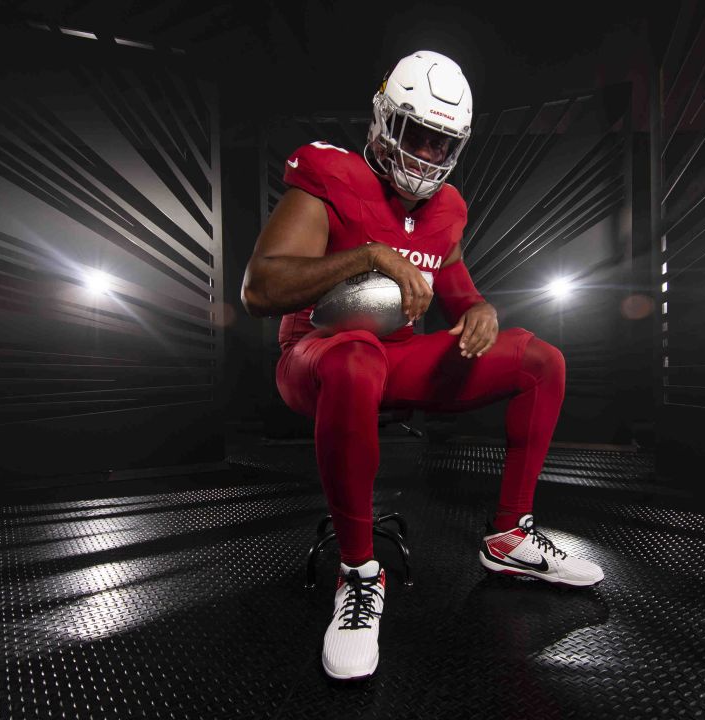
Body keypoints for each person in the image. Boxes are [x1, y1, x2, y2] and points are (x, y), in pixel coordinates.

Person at [240, 50, 604, 681]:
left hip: (397, 357)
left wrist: (483, 309)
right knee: (355, 359)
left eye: (443, 144)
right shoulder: (332, 176)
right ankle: (357, 574)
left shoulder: (447, 209)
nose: (428, 156)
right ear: (383, 120)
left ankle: (510, 537)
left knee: (540, 359)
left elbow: (461, 295)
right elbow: (260, 290)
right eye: (417, 136)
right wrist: (368, 256)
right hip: (319, 351)